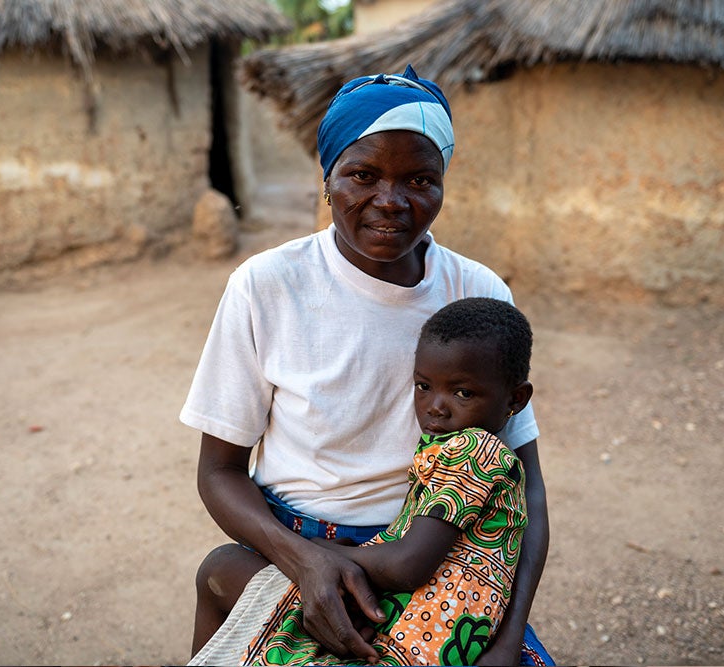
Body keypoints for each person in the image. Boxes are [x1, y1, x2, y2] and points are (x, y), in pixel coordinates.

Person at [180, 65, 551, 665]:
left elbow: (528, 487)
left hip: (441, 562)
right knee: (225, 582)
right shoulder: (267, 286)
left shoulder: (476, 293)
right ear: (328, 181)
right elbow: (219, 473)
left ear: (442, 185)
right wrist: (305, 562)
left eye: (420, 180)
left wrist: (509, 638)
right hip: (297, 544)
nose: (391, 200)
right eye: (363, 174)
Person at [192, 297, 536, 665]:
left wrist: (317, 552)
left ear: (516, 399)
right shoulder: (473, 452)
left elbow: (407, 566)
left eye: (463, 393)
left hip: (402, 646)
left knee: (224, 566)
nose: (436, 406)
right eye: (423, 387)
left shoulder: (473, 450)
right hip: (431, 639)